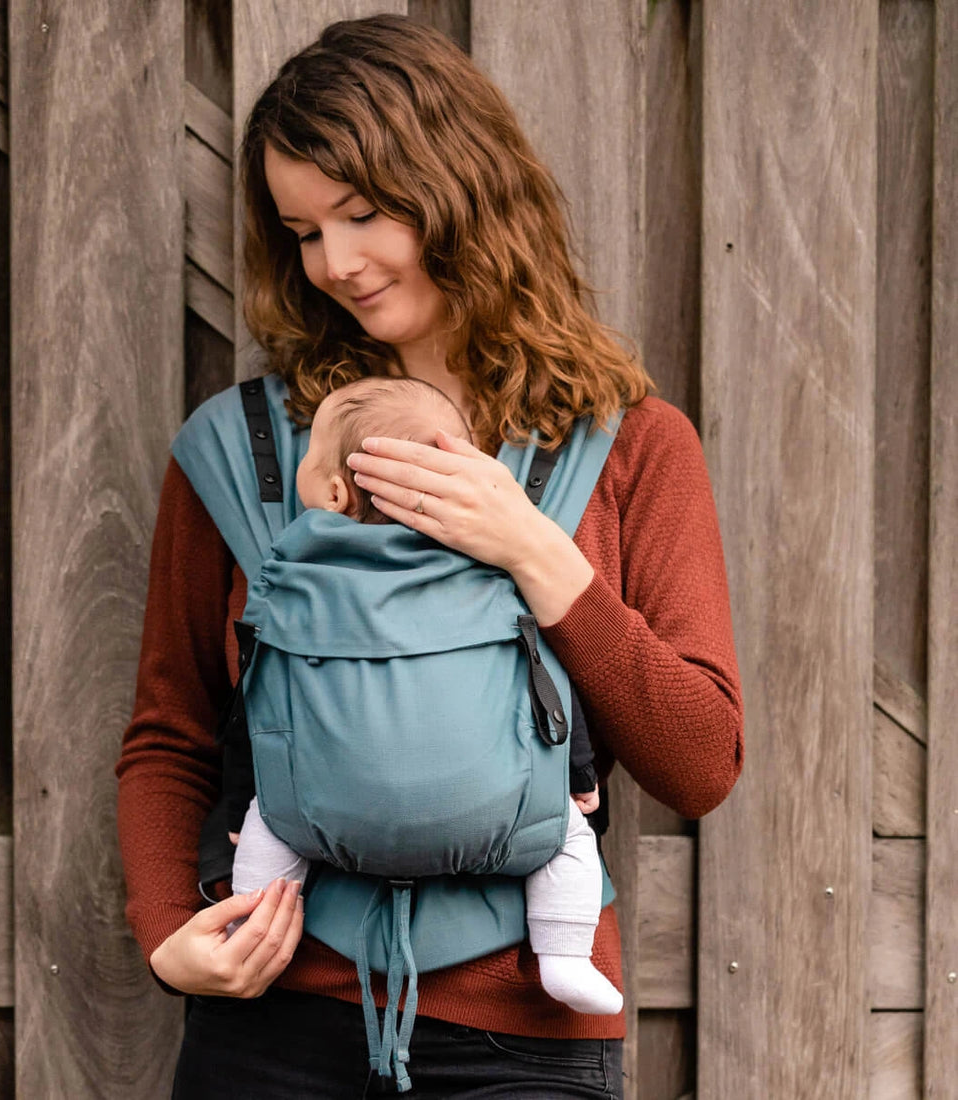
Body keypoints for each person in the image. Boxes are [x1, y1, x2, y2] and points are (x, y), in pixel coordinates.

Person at [117, 14, 743, 1099]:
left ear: (461, 190)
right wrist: (169, 928)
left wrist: (535, 555)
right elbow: (171, 730)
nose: (336, 263)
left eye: (361, 213)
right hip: (271, 1025)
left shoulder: (636, 449)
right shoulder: (247, 454)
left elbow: (699, 761)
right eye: (303, 230)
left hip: (526, 1042)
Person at [225, 374, 623, 1018]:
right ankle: (566, 956)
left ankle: (251, 934)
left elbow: (259, 697)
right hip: (502, 818)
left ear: (332, 491)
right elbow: (546, 674)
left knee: (268, 829)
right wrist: (576, 771)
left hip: (317, 818)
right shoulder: (493, 560)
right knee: (569, 840)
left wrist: (243, 796)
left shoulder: (293, 574)